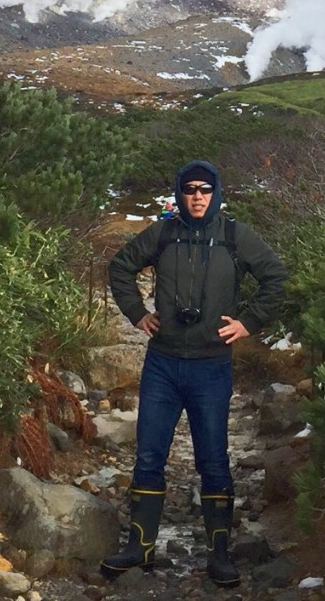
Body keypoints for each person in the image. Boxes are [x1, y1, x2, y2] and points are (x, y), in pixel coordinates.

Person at [100, 159, 288, 588]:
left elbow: (275, 278)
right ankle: (140, 545)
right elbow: (120, 267)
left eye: (205, 189)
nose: (198, 197)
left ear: (216, 192)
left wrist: (248, 323)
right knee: (149, 454)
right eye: (190, 190)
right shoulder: (163, 234)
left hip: (212, 366)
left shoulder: (235, 236)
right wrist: (137, 314)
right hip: (163, 363)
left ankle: (219, 554)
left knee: (213, 460)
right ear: (179, 194)